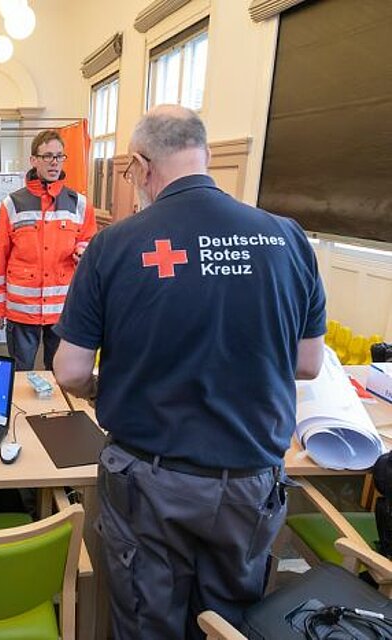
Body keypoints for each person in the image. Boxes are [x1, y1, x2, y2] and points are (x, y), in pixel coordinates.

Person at [52, 105, 326, 638]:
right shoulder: (286, 237)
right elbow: (308, 363)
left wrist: (100, 389)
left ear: (140, 162)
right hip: (249, 481)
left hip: (151, 481)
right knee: (229, 621)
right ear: (202, 154)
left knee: (148, 617)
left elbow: (68, 369)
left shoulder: (117, 243)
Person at [0, 129, 97, 371]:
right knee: (20, 371)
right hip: (21, 308)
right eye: (47, 156)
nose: (54, 162)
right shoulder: (12, 204)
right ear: (33, 160)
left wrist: (82, 249)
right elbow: (0, 256)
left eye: (59, 156)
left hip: (62, 308)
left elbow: (88, 240)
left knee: (60, 371)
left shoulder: (79, 203)